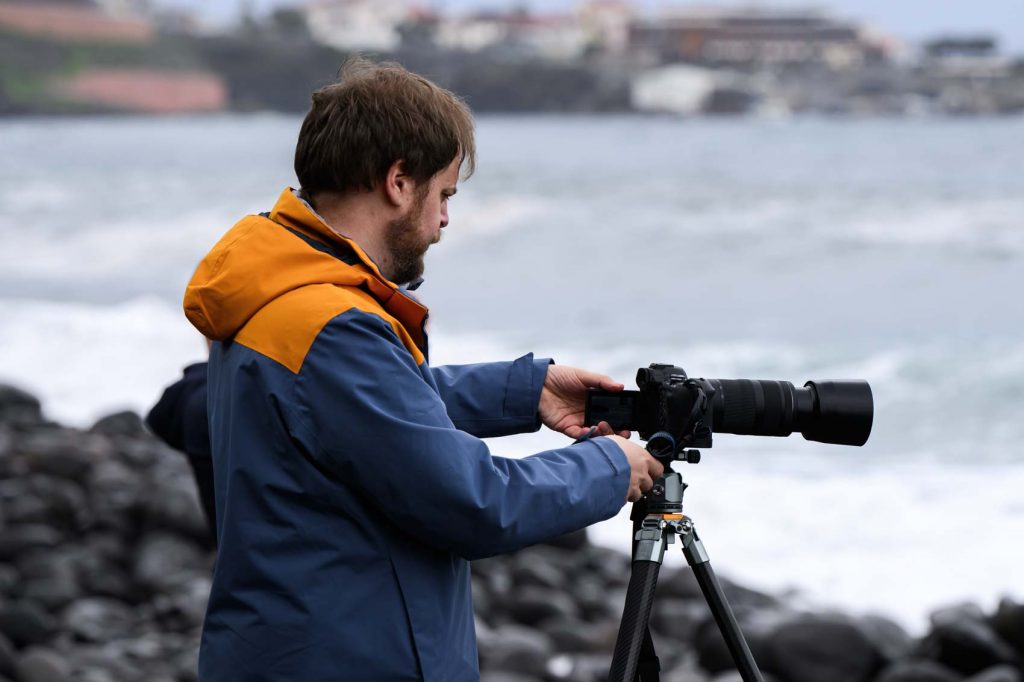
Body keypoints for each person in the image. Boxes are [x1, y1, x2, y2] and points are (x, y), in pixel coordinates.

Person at [182, 57, 663, 681]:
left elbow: (354, 412)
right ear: (399, 182)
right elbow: (474, 503)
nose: (444, 221)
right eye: (444, 194)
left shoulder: (274, 289)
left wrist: (527, 390)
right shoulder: (334, 326)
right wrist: (609, 468)